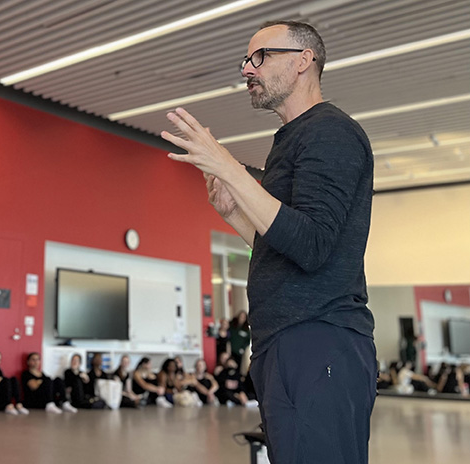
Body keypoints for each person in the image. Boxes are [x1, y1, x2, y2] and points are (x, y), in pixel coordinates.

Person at [164, 20, 376, 464]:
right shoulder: (291, 139)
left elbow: (314, 244)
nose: (248, 68)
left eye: (261, 56)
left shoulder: (330, 132)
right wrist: (234, 212)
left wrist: (232, 169)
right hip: (285, 341)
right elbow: (289, 246)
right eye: (246, 59)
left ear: (304, 61)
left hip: (318, 339)